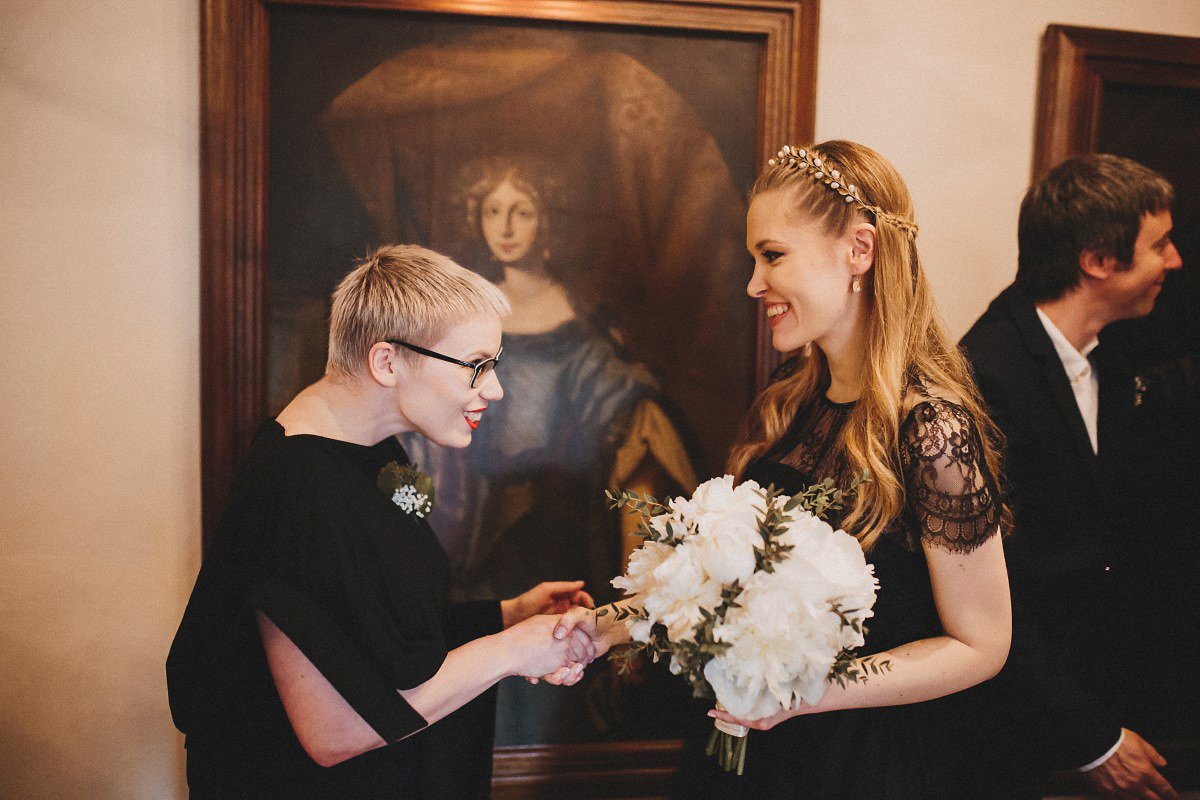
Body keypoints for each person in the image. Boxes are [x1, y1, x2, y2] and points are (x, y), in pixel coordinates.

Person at [560, 140, 1013, 798]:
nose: (752, 284)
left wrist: (809, 695)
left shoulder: (932, 432)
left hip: (855, 765)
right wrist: (602, 628)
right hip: (745, 748)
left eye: (772, 255)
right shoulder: (788, 402)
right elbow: (724, 585)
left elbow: (982, 645)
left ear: (860, 250)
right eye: (754, 258)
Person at [166, 244, 598, 799]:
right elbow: (334, 731)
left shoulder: (379, 453)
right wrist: (510, 652)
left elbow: (375, 619)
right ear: (387, 362)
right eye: (477, 366)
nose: (494, 389)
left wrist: (506, 616)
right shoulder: (294, 487)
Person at [402, 156, 699, 744]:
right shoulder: (466, 316)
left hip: (550, 532)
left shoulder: (580, 324)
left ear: (546, 222)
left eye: (522, 211)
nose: (505, 226)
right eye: (492, 212)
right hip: (474, 535)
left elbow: (625, 410)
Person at [959, 154, 1183, 800]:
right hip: (994, 731)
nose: (1174, 263)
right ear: (1096, 261)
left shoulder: (1108, 358)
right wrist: (1093, 738)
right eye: (1159, 245)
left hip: (1074, 697)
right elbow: (989, 591)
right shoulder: (987, 375)